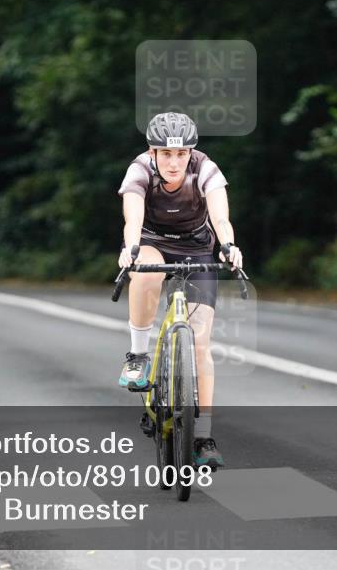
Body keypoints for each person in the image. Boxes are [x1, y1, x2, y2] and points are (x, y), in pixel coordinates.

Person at [116, 112, 243, 469]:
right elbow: (133, 219)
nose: (174, 162)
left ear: (191, 153)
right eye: (166, 154)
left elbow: (220, 216)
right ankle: (138, 355)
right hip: (152, 243)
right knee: (146, 274)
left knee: (200, 345)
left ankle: (203, 436)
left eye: (182, 154)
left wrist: (229, 244)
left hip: (198, 248)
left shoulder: (205, 169)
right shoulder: (139, 170)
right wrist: (131, 250)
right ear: (152, 152)